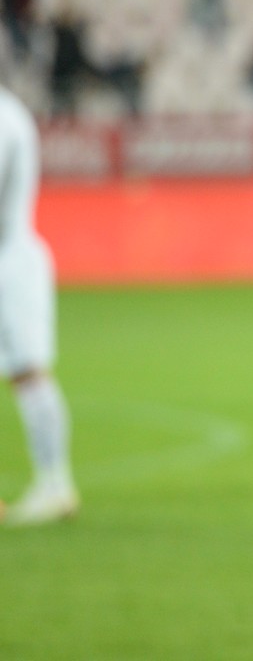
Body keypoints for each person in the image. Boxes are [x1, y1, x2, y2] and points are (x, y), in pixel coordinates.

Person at [0, 83, 77, 526]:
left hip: (9, 264)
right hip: (12, 257)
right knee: (26, 374)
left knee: (28, 373)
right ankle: (54, 484)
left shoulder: (4, 119)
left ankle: (54, 483)